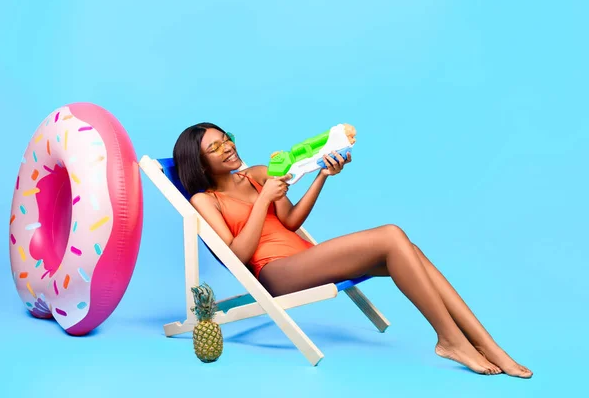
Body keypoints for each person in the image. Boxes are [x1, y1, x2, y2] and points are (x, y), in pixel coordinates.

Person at [173, 122, 532, 378]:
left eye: (226, 139)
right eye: (214, 148)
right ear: (199, 162)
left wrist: (321, 177)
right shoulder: (205, 200)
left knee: (412, 250)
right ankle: (450, 340)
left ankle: (488, 344)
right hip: (277, 272)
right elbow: (236, 255)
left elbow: (292, 221)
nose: (227, 148)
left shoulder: (257, 173)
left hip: (304, 258)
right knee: (392, 235)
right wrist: (263, 199)